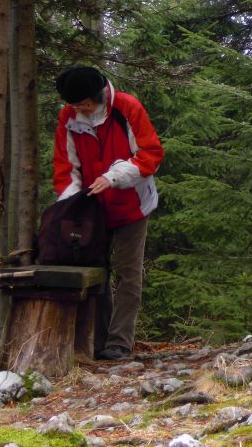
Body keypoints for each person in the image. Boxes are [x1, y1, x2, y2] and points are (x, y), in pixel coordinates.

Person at [53, 66, 164, 360]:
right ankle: (97, 342)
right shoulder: (68, 117)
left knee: (128, 273)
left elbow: (150, 154)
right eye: (75, 104)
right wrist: (72, 204)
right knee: (97, 273)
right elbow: (65, 167)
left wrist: (113, 177)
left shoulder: (127, 107)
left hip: (132, 206)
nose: (79, 109)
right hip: (92, 211)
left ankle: (119, 343)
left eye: (84, 103)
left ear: (99, 95)